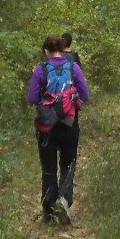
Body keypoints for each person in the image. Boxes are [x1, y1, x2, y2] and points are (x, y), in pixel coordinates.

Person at [28, 34, 90, 225]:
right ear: (62, 50)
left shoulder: (41, 70)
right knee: (68, 163)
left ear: (46, 51)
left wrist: (45, 102)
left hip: (46, 126)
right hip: (69, 123)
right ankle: (64, 200)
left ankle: (48, 211)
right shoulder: (73, 67)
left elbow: (32, 98)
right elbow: (85, 94)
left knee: (48, 166)